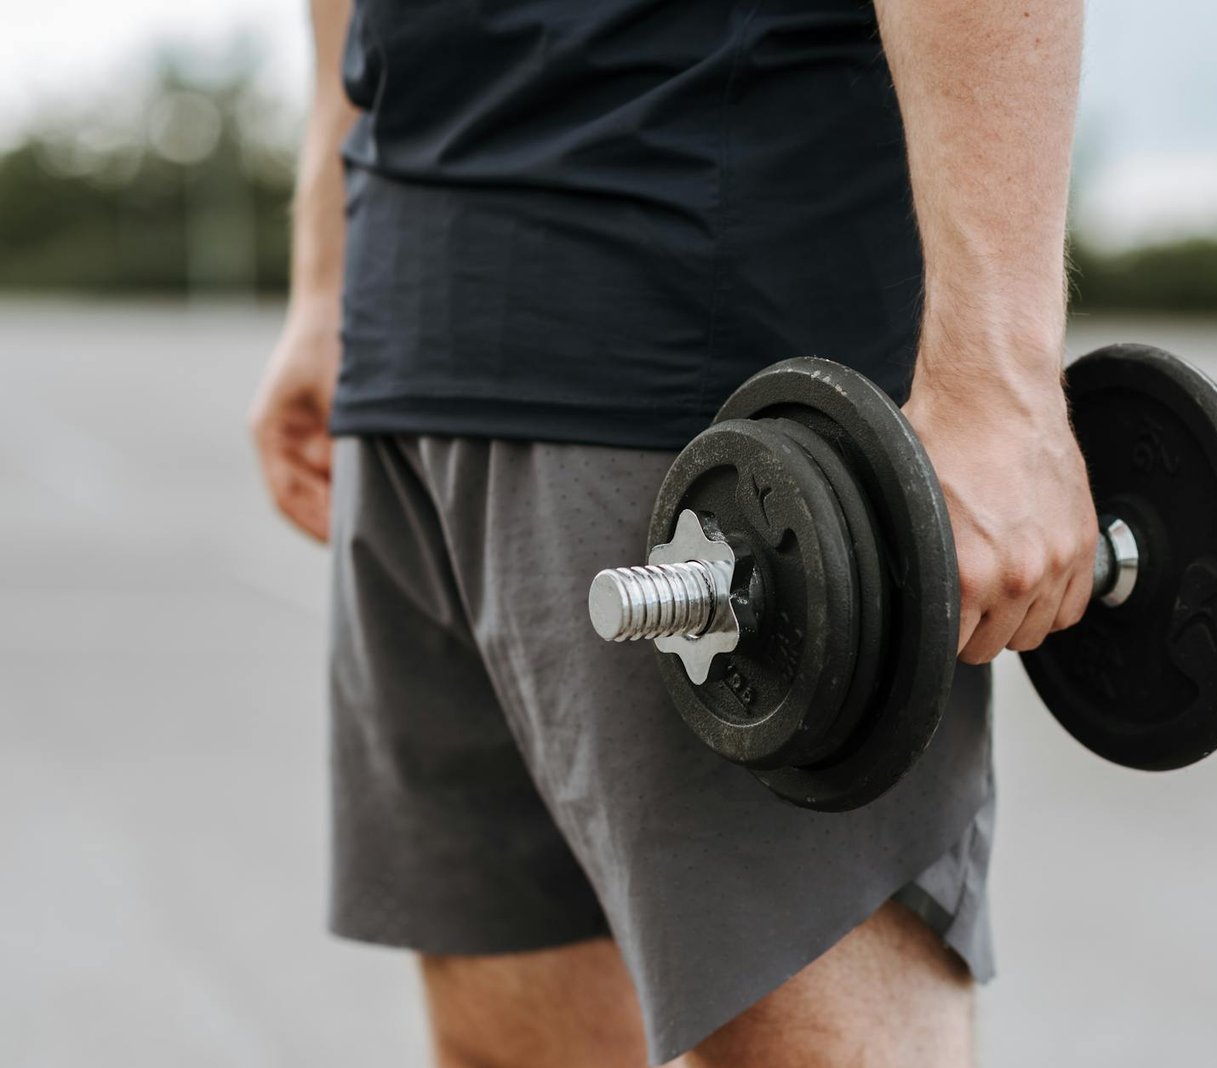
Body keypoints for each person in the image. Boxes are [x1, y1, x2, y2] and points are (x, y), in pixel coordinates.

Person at [249, 0, 1096, 1063]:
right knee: (507, 1044)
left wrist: (998, 376)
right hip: (413, 325)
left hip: (719, 357)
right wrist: (328, 274)